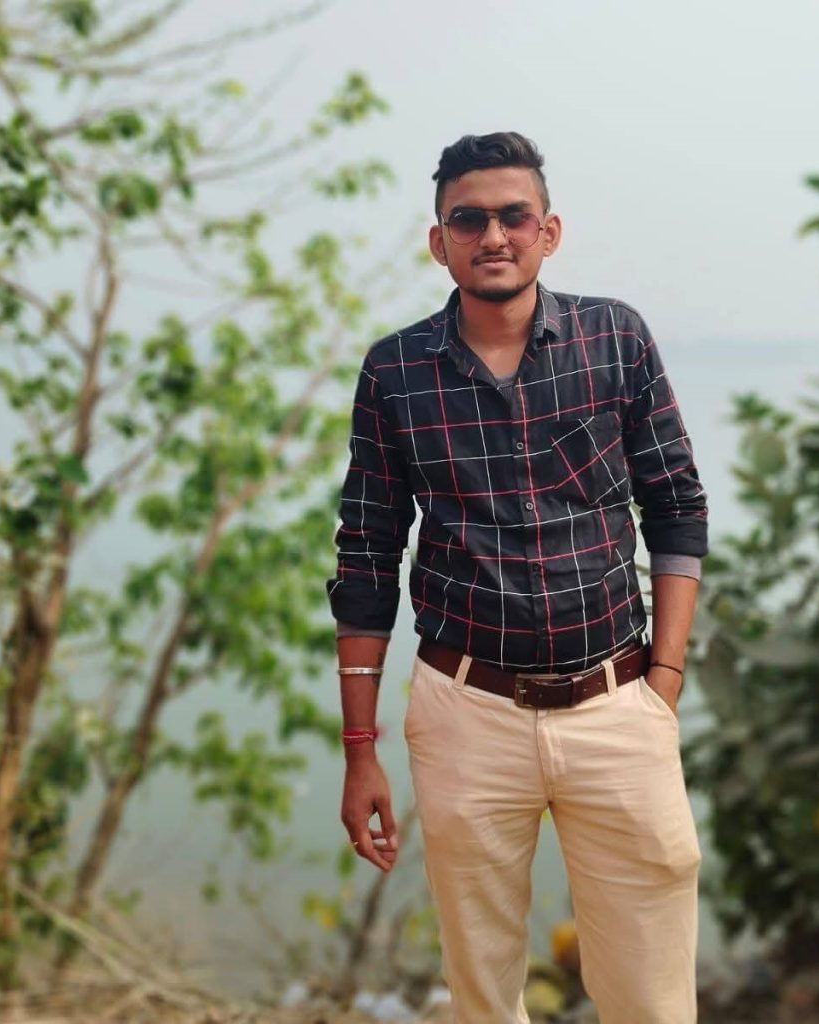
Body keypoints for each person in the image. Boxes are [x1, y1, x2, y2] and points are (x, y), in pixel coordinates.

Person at [327, 131, 708, 1023]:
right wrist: (360, 750)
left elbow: (677, 505)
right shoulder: (396, 372)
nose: (493, 235)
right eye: (469, 219)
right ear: (440, 242)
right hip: (467, 712)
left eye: (514, 216)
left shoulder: (615, 338)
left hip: (617, 703)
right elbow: (367, 555)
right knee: (483, 989)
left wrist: (664, 677)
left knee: (652, 997)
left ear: (549, 231)